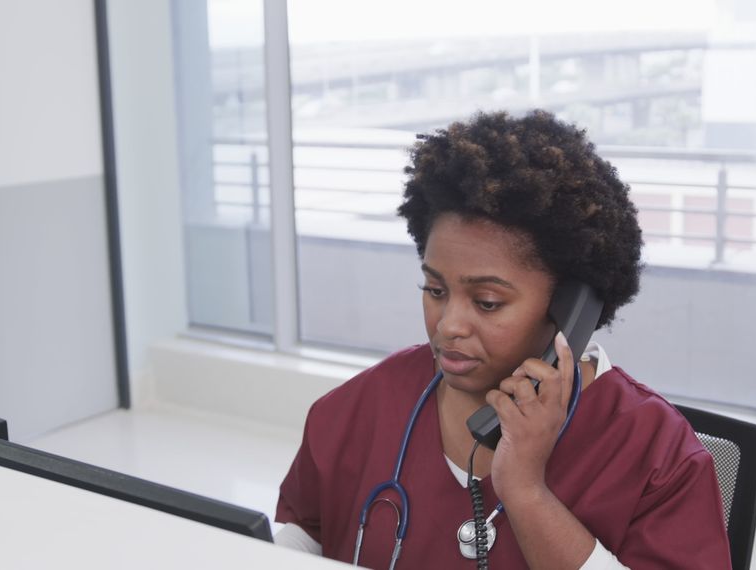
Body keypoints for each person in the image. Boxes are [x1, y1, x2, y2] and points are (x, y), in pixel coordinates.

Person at [274, 110, 730, 569]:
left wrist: (527, 492)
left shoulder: (655, 455)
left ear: (569, 308)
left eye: (487, 302)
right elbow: (298, 537)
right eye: (435, 290)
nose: (448, 324)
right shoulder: (362, 406)